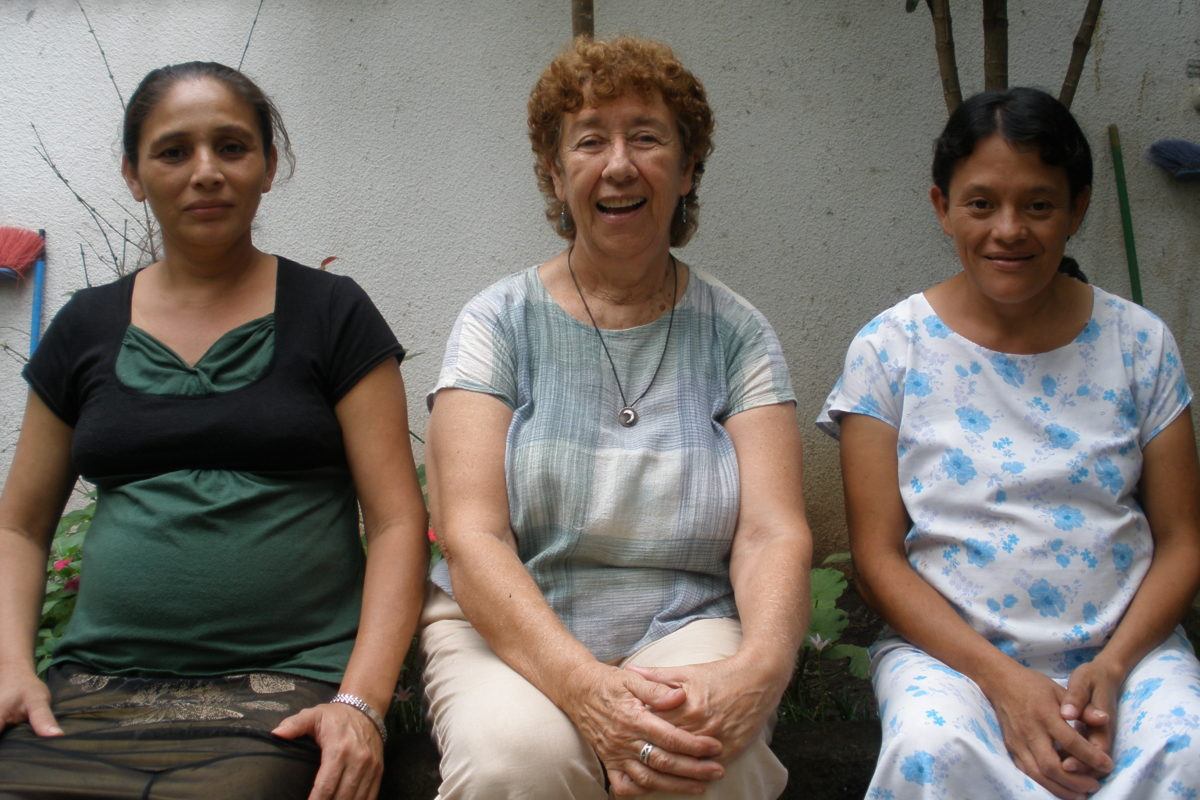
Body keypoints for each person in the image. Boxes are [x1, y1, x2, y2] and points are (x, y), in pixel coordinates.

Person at [0, 61, 428, 800]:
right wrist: (12, 669)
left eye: (232, 147)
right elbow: (20, 527)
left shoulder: (332, 314)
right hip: (95, 691)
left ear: (268, 167)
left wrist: (359, 704)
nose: (206, 172)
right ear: (134, 174)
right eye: (174, 151)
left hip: (287, 695)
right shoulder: (84, 328)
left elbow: (394, 522)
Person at [421, 36, 812, 799]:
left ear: (688, 166)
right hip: (510, 621)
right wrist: (586, 691)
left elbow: (773, 531)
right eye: (590, 140)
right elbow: (473, 534)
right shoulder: (495, 323)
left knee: (702, 760)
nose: (620, 164)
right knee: (517, 764)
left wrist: (759, 671)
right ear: (555, 171)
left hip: (684, 618)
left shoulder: (738, 334)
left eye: (647, 136)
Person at [818, 87, 1200, 800]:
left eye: (1039, 204)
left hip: (1126, 655)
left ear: (1078, 207)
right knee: (932, 750)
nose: (1009, 230)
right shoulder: (890, 351)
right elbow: (876, 556)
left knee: (1188, 750)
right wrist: (1001, 681)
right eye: (981, 203)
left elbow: (1182, 540)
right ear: (941, 207)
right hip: (952, 660)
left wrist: (1113, 670)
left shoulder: (1140, 345)